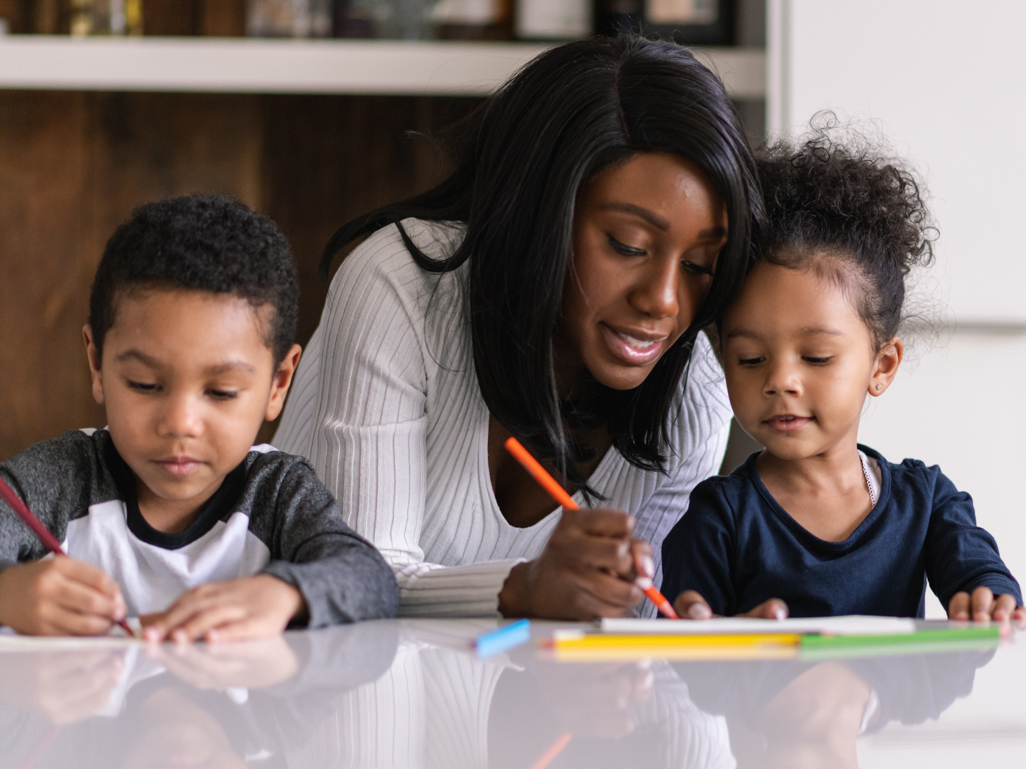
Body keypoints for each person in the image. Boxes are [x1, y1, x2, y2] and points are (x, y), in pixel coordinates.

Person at [274, 34, 766, 620]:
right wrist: (522, 591)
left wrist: (712, 655)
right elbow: (356, 581)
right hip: (297, 694)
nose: (663, 301)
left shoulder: (696, 395)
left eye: (698, 265)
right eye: (627, 245)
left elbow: (625, 630)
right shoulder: (400, 285)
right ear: (542, 210)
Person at [0, 195, 399, 640]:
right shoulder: (56, 481)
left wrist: (284, 594)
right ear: (96, 364)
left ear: (278, 384)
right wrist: (5, 594)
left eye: (221, 392)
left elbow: (372, 580)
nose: (181, 423)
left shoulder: (277, 493)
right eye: (145, 384)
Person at [662, 132, 1024, 621]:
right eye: (749, 359)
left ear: (882, 366)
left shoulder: (928, 504)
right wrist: (715, 642)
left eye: (815, 357)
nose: (781, 380)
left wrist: (988, 596)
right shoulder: (719, 518)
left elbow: (985, 579)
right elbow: (681, 657)